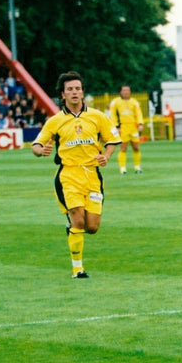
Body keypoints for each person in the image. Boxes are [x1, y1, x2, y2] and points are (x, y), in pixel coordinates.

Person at [32, 71, 121, 279]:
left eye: (78, 89)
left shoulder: (97, 116)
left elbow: (111, 140)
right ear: (62, 94)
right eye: (70, 89)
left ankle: (71, 225)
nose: (75, 92)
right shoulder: (55, 121)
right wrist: (40, 151)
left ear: (82, 92)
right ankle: (77, 269)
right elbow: (36, 144)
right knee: (78, 222)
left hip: (92, 175)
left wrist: (106, 156)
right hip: (68, 176)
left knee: (92, 227)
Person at [109, 85, 144, 173]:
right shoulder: (116, 102)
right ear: (121, 92)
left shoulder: (134, 102)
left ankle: (137, 167)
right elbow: (113, 114)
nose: (126, 92)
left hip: (133, 127)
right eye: (124, 90)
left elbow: (138, 113)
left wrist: (140, 124)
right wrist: (116, 126)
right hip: (123, 127)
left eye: (128, 90)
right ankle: (123, 168)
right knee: (123, 148)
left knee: (136, 148)